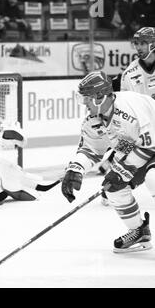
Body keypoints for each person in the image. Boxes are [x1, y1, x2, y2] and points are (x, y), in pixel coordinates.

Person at [61, 71, 153, 253]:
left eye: (87, 98)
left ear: (100, 97)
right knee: (113, 189)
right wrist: (75, 169)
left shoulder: (131, 106)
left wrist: (122, 170)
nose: (84, 103)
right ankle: (139, 231)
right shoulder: (94, 119)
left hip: (152, 145)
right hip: (137, 149)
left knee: (153, 178)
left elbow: (150, 145)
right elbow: (91, 149)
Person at [99, 27, 155, 205]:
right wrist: (117, 149)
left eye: (143, 43)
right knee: (111, 191)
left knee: (153, 179)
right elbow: (125, 110)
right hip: (144, 138)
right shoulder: (130, 73)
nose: (139, 47)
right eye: (137, 43)